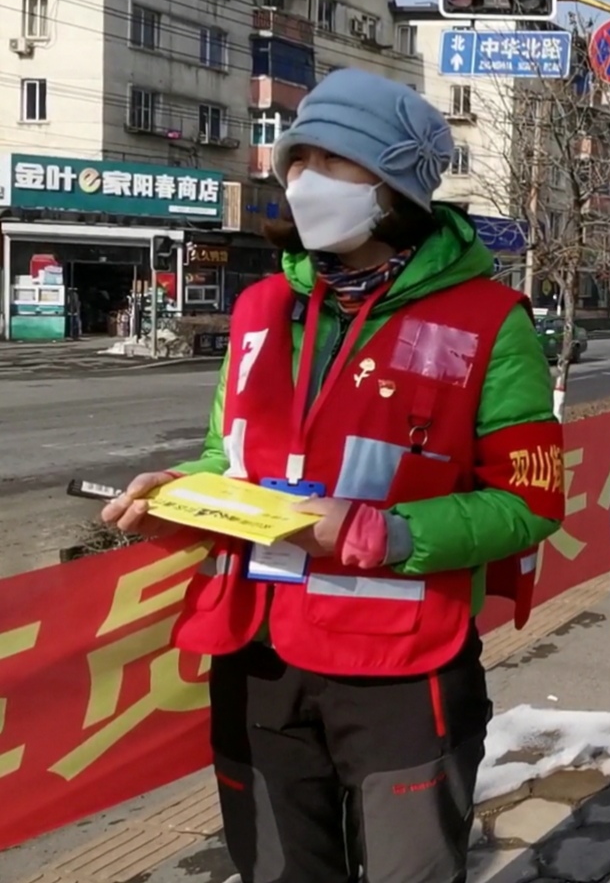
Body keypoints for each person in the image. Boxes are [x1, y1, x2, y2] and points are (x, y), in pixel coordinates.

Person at [102, 69, 564, 883]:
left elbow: (528, 503)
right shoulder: (260, 309)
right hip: (256, 654)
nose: (305, 180)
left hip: (400, 670)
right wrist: (175, 496)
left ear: (394, 187)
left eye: (334, 160)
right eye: (296, 159)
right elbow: (228, 459)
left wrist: (380, 532)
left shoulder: (489, 321)